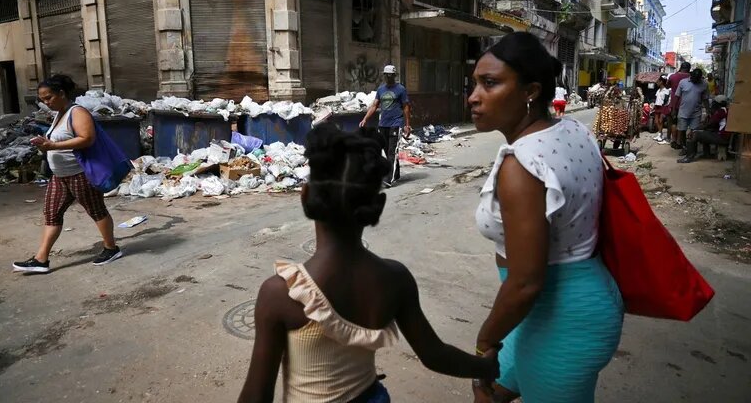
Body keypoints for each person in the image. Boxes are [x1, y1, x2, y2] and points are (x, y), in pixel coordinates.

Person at [237, 124, 499, 403]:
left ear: (305, 196)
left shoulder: (281, 294)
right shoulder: (395, 280)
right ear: (378, 204)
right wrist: (486, 366)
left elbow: (256, 395)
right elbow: (435, 355)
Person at [467, 32, 623, 403]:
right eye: (475, 83)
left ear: (530, 91)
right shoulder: (572, 130)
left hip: (563, 317)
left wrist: (485, 341)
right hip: (556, 308)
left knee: (486, 380)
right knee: (490, 392)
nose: (473, 97)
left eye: (490, 84)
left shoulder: (522, 165)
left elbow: (525, 283)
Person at [12, 75, 122, 273]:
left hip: (79, 174)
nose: (45, 102)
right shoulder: (59, 113)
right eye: (42, 99)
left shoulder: (77, 112)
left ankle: (111, 248)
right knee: (52, 214)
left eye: (49, 97)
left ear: (62, 93)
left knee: (96, 210)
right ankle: (41, 259)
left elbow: (87, 138)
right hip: (60, 176)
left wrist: (53, 145)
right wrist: (45, 146)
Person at [359, 65, 411, 188]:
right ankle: (396, 173)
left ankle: (389, 178)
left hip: (396, 123)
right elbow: (374, 105)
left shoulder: (400, 89)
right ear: (384, 76)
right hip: (383, 124)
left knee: (392, 151)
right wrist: (365, 118)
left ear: (394, 75)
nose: (388, 77)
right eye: (386, 75)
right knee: (386, 150)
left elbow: (406, 107)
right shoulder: (381, 89)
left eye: (390, 75)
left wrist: (407, 125)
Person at [678, 94, 731, 163]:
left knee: (694, 134)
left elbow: (710, 124)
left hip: (722, 137)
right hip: (724, 136)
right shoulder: (726, 110)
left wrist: (695, 129)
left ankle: (689, 157)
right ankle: (707, 154)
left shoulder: (721, 111)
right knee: (705, 132)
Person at [674, 69, 710, 157]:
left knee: (695, 132)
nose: (695, 80)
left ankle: (693, 149)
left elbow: (705, 99)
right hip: (683, 112)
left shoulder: (704, 84)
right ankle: (684, 148)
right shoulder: (683, 82)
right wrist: (674, 110)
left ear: (700, 78)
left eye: (697, 79)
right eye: (694, 78)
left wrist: (708, 111)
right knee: (682, 131)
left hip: (696, 113)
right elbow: (677, 97)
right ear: (691, 75)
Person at [667, 62, 691, 149]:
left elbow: (667, 86)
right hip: (686, 103)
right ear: (689, 68)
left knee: (674, 122)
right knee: (683, 123)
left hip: (674, 103)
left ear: (681, 67)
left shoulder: (673, 76)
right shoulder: (690, 77)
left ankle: (673, 140)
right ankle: (679, 141)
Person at [653, 76, 671, 144]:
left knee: (661, 121)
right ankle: (660, 134)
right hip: (657, 106)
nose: (657, 83)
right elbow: (656, 99)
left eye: (658, 81)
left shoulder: (666, 90)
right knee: (656, 122)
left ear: (661, 82)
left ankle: (660, 135)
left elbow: (666, 100)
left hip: (662, 107)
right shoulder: (658, 90)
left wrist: (664, 108)